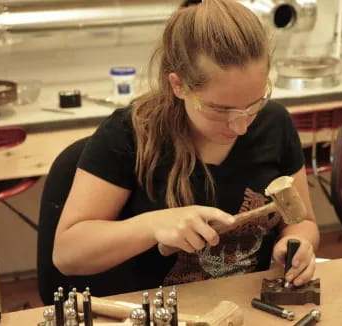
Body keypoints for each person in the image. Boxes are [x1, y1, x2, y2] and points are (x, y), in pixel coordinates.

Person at [52, 0, 319, 297]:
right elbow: (67, 254)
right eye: (220, 110)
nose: (241, 126)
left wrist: (296, 245)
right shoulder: (129, 134)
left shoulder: (275, 123)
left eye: (254, 103)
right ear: (179, 86)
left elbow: (303, 221)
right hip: (160, 311)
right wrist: (153, 224)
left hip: (251, 305)